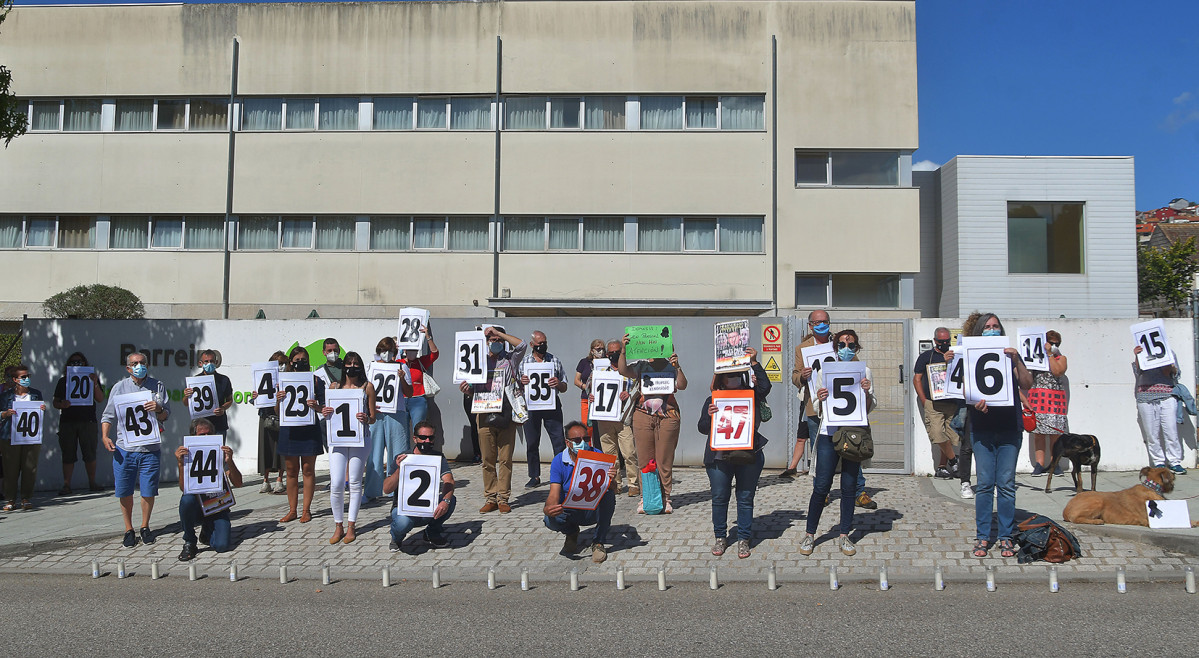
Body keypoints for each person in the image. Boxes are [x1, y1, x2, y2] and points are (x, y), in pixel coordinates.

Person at [952, 313, 1033, 559]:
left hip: (1010, 426)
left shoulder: (1009, 354)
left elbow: (1027, 384)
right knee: (986, 484)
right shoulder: (970, 355)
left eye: (995, 326)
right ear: (979, 331)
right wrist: (975, 402)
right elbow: (963, 388)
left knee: (1006, 485)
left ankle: (1006, 536)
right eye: (987, 327)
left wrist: (1017, 359)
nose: (992, 329)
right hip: (982, 427)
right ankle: (983, 536)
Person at [798, 330, 875, 557]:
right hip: (828, 433)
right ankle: (810, 533)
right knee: (821, 486)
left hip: (854, 434)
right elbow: (817, 406)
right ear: (835, 347)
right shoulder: (825, 371)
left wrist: (867, 392)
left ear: (857, 348)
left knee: (849, 487)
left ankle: (844, 535)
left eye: (851, 345)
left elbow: (870, 406)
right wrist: (820, 398)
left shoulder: (865, 371)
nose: (846, 348)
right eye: (841, 344)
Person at [791, 309, 875, 509]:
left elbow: (855, 367)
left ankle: (858, 490)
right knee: (819, 450)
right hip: (816, 406)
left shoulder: (840, 343)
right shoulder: (802, 348)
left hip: (845, 409)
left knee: (852, 447)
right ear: (810, 325)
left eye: (825, 321)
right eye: (818, 322)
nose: (822, 324)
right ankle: (822, 491)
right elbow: (795, 378)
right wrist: (803, 375)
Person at [698, 348, 770, 559]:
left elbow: (765, 386)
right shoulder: (713, 399)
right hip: (719, 458)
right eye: (730, 375)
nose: (734, 379)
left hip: (748, 455)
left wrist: (754, 362)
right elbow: (702, 427)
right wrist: (710, 417)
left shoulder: (751, 394)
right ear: (721, 378)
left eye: (738, 375)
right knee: (720, 497)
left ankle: (743, 538)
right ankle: (720, 536)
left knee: (745, 497)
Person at [101, 351, 170, 547]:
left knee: (148, 490)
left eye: (142, 362)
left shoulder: (157, 386)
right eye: (135, 363)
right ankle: (128, 529)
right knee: (125, 491)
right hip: (125, 448)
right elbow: (108, 416)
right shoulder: (119, 387)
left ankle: (145, 526)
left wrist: (158, 409)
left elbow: (166, 415)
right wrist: (105, 436)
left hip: (150, 449)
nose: (139, 366)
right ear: (128, 367)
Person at [458, 325, 527, 514]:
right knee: (487, 458)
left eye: (498, 340)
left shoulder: (510, 359)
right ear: (485, 342)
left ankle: (503, 497)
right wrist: (467, 390)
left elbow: (522, 345)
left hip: (505, 411)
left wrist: (499, 333)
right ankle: (491, 497)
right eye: (491, 340)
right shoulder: (477, 360)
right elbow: (472, 385)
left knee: (505, 458)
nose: (495, 342)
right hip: (483, 411)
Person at [617, 333, 688, 513]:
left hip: (668, 415)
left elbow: (682, 384)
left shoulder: (671, 366)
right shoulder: (641, 365)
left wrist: (677, 366)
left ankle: (666, 497)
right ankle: (647, 497)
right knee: (645, 458)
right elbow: (623, 371)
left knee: (664, 458)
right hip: (643, 415)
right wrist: (624, 351)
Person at [321, 351, 377, 544]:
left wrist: (366, 418)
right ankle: (338, 525)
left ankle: (351, 525)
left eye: (356, 363)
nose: (352, 366)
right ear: (343, 365)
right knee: (336, 482)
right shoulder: (334, 387)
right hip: (337, 439)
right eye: (349, 363)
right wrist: (325, 411)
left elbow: (373, 416)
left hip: (360, 439)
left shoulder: (367, 387)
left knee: (354, 482)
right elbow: (328, 414)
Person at [542, 421, 617, 563]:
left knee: (608, 495)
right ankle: (571, 533)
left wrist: (611, 479)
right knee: (550, 519)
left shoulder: (597, 455)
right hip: (570, 511)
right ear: (568, 443)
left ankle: (598, 542)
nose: (582, 443)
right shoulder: (559, 461)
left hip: (593, 510)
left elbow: (613, 488)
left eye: (586, 439)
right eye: (577, 440)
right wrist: (548, 508)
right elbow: (554, 494)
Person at [175, 418, 243, 560]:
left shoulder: (219, 451)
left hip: (216, 506)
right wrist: (181, 465)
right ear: (194, 437)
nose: (206, 437)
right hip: (197, 506)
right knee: (186, 500)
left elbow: (238, 483)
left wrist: (230, 462)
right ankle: (189, 541)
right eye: (202, 435)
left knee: (222, 546)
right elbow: (183, 488)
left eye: (209, 434)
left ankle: (207, 531)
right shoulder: (188, 453)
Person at [272, 345, 325, 524]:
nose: (300, 363)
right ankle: (292, 510)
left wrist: (316, 406)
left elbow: (325, 407)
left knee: (308, 470)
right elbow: (278, 411)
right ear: (290, 363)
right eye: (297, 361)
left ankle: (306, 510)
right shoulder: (282, 381)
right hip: (290, 430)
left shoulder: (316, 380)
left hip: (309, 429)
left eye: (304, 361)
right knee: (291, 471)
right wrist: (278, 400)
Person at [386, 421, 456, 551]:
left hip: (429, 508)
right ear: (415, 438)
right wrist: (399, 469)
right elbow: (387, 489)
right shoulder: (402, 457)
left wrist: (445, 501)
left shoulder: (438, 457)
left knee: (451, 499)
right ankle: (396, 537)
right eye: (423, 438)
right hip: (404, 509)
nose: (427, 441)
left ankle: (432, 532)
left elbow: (449, 481)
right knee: (403, 523)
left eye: (431, 438)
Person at [519, 330, 568, 488]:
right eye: (540, 344)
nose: (543, 346)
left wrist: (558, 384)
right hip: (532, 407)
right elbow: (516, 387)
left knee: (558, 441)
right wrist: (522, 382)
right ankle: (534, 475)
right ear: (532, 345)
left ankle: (561, 473)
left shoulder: (554, 360)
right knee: (532, 442)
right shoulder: (524, 362)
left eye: (545, 343)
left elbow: (565, 385)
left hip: (551, 406)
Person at [51, 351, 105, 494]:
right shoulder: (63, 381)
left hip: (88, 421)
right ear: (68, 365)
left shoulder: (92, 379)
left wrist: (94, 383)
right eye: (73, 362)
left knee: (90, 453)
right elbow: (55, 402)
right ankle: (67, 485)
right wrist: (62, 404)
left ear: (84, 363)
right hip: (68, 421)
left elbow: (100, 398)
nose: (77, 365)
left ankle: (92, 482)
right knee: (68, 454)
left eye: (79, 362)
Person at [367, 337, 413, 500]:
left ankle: (396, 489)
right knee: (374, 453)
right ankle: (372, 491)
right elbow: (365, 390)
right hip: (377, 413)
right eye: (383, 351)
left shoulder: (402, 367)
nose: (386, 354)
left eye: (390, 351)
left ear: (394, 352)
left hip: (396, 412)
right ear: (378, 352)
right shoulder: (371, 367)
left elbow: (409, 393)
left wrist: (401, 378)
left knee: (398, 452)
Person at [1133, 335, 1185, 474]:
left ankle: (1174, 461)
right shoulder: (1141, 353)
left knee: (1171, 430)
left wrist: (1166, 362)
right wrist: (1137, 356)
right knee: (1151, 433)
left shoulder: (1169, 351)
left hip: (1167, 395)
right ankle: (1158, 462)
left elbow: (1174, 374)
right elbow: (1138, 372)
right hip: (1145, 396)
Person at [913, 327, 960, 479]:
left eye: (947, 341)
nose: (944, 344)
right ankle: (954, 460)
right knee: (937, 434)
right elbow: (917, 378)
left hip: (952, 402)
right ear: (935, 341)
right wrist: (923, 399)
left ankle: (942, 467)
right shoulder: (927, 356)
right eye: (941, 341)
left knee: (951, 436)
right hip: (933, 403)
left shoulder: (956, 355)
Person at [594, 339, 639, 496]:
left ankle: (634, 484)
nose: (614, 355)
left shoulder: (630, 373)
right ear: (607, 354)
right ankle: (616, 484)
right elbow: (588, 389)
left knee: (629, 453)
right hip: (604, 420)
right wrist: (592, 396)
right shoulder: (599, 373)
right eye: (612, 353)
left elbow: (638, 390)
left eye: (618, 352)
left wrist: (630, 395)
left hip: (623, 418)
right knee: (609, 455)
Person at [1, 365, 47, 511]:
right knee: (10, 469)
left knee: (29, 468)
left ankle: (26, 497)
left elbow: (37, 415)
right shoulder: (5, 395)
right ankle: (10, 499)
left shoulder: (35, 394)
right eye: (23, 377)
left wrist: (42, 410)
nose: (27, 379)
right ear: (15, 379)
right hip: (10, 436)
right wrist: (5, 414)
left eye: (28, 376)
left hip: (30, 437)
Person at [1030, 330, 1069, 476]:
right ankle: (1039, 464)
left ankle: (1055, 463)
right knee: (1038, 433)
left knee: (1055, 434)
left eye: (1056, 343)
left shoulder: (1061, 358)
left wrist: (1050, 354)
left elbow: (1058, 371)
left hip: (1055, 400)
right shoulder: (1035, 358)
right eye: (1050, 342)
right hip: (1038, 398)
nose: (1053, 345)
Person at [182, 349, 234, 443]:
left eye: (212, 361)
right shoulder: (195, 380)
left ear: (216, 362)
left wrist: (222, 408)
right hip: (200, 427)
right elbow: (186, 403)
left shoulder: (224, 380)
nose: (209, 363)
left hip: (219, 425)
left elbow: (230, 400)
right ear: (200, 363)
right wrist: (186, 395)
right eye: (206, 361)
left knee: (218, 454)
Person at [257, 350, 287, 494]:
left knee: (281, 449)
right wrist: (255, 396)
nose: (280, 367)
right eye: (277, 363)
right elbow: (256, 399)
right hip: (266, 416)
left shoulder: (289, 379)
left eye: (283, 364)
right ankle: (265, 480)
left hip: (283, 417)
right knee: (266, 449)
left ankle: (280, 480)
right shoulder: (263, 377)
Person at [401, 325, 439, 436]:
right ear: (405, 350)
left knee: (419, 429)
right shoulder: (399, 362)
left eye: (415, 350)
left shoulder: (421, 361)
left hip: (418, 400)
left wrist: (428, 336)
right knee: (402, 432)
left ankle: (420, 451)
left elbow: (435, 354)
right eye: (409, 350)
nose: (412, 352)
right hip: (401, 400)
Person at [574, 339, 605, 435]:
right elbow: (576, 380)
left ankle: (599, 448)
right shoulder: (584, 362)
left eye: (602, 349)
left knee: (601, 427)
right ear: (592, 350)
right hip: (586, 399)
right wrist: (585, 387)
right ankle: (588, 448)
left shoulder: (607, 363)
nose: (600, 351)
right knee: (587, 426)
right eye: (598, 349)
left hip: (602, 399)